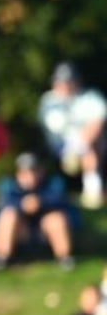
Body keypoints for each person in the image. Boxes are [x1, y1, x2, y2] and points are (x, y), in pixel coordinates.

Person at [37, 61, 107, 209]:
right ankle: (93, 192)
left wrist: (80, 144)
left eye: (69, 81)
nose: (65, 85)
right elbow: (56, 129)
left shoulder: (90, 96)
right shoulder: (49, 101)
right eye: (61, 81)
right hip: (60, 148)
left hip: (85, 145)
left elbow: (98, 123)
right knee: (89, 148)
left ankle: (93, 193)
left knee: (92, 144)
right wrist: (75, 147)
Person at [0, 152, 75, 271]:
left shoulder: (53, 183)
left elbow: (62, 201)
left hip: (44, 229)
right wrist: (22, 204)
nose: (30, 176)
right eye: (25, 172)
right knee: (8, 216)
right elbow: (2, 203)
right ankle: (2, 258)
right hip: (21, 230)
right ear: (18, 174)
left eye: (33, 171)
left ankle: (65, 258)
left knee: (56, 218)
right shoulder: (9, 185)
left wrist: (40, 202)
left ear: (41, 171)